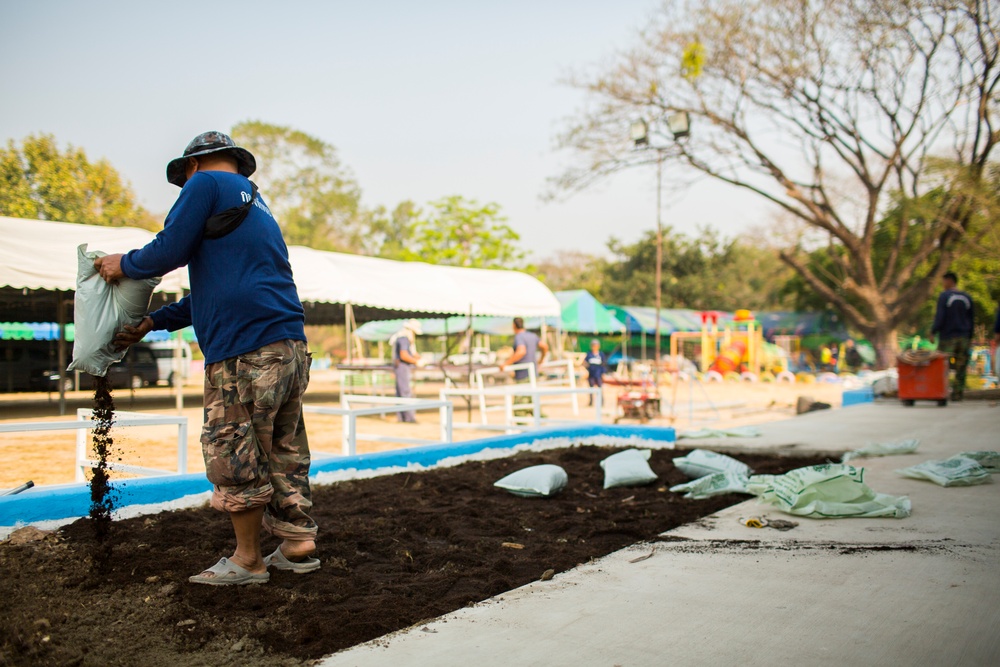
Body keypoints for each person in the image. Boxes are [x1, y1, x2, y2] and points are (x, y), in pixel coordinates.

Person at [94, 131, 318, 585]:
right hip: (287, 346)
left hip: (243, 350)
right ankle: (296, 544)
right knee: (283, 448)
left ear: (194, 165)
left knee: (233, 448)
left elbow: (169, 249)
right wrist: (153, 322)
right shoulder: (259, 208)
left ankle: (248, 561)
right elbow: (213, 293)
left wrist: (126, 263)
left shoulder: (205, 184)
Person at [931, 271, 974, 401]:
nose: (943, 284)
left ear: (950, 281)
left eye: (943, 281)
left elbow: (940, 316)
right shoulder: (967, 297)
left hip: (948, 338)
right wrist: (970, 337)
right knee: (961, 367)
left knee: (943, 366)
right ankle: (957, 394)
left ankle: (941, 392)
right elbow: (971, 319)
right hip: (964, 337)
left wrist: (933, 331)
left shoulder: (944, 296)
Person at [498, 317, 549, 414]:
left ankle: (522, 426)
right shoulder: (532, 336)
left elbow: (521, 351)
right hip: (533, 373)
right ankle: (542, 422)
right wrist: (541, 359)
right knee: (532, 401)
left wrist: (506, 364)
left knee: (520, 406)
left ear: (514, 325)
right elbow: (544, 346)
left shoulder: (519, 337)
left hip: (523, 374)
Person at [391, 319, 422, 423]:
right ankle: (409, 418)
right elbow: (404, 355)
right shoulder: (404, 338)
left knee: (401, 392)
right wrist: (416, 362)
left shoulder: (402, 337)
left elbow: (412, 353)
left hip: (401, 367)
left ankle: (402, 417)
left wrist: (420, 359)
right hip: (402, 367)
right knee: (405, 392)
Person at [583, 339, 607, 406]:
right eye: (593, 346)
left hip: (598, 374)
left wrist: (603, 373)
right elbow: (584, 363)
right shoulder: (589, 354)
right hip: (591, 374)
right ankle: (591, 402)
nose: (595, 347)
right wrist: (586, 370)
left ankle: (602, 402)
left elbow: (603, 365)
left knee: (600, 388)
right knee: (591, 389)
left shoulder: (601, 354)